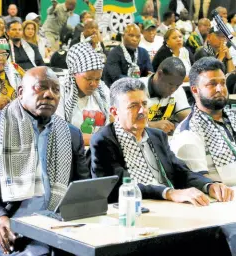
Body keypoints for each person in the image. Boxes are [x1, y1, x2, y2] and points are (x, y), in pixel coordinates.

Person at [0, 66, 90, 256]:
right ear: (21, 92)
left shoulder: (70, 134)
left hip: (57, 224)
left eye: (56, 90)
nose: (49, 95)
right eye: (41, 88)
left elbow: (83, 188)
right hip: (10, 227)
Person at [90, 77, 234, 204]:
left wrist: (209, 185)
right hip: (135, 209)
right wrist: (168, 193)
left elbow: (181, 172)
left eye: (144, 104)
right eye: (133, 106)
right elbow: (117, 187)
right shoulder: (104, 140)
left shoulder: (156, 136)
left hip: (170, 206)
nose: (142, 111)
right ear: (115, 112)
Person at [171, 57, 236, 186]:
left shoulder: (231, 115)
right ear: (195, 90)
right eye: (212, 84)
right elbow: (200, 181)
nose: (220, 89)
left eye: (222, 83)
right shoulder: (189, 132)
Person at [56, 42, 110, 146]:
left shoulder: (102, 90)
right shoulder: (60, 92)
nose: (93, 84)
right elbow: (60, 133)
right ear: (74, 73)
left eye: (97, 79)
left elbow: (114, 121)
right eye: (88, 79)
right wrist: (101, 139)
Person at [140, 57, 190, 134]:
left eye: (177, 85)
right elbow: (122, 123)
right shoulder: (137, 88)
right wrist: (151, 125)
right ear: (159, 74)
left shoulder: (177, 89)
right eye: (170, 84)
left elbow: (187, 118)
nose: (173, 89)